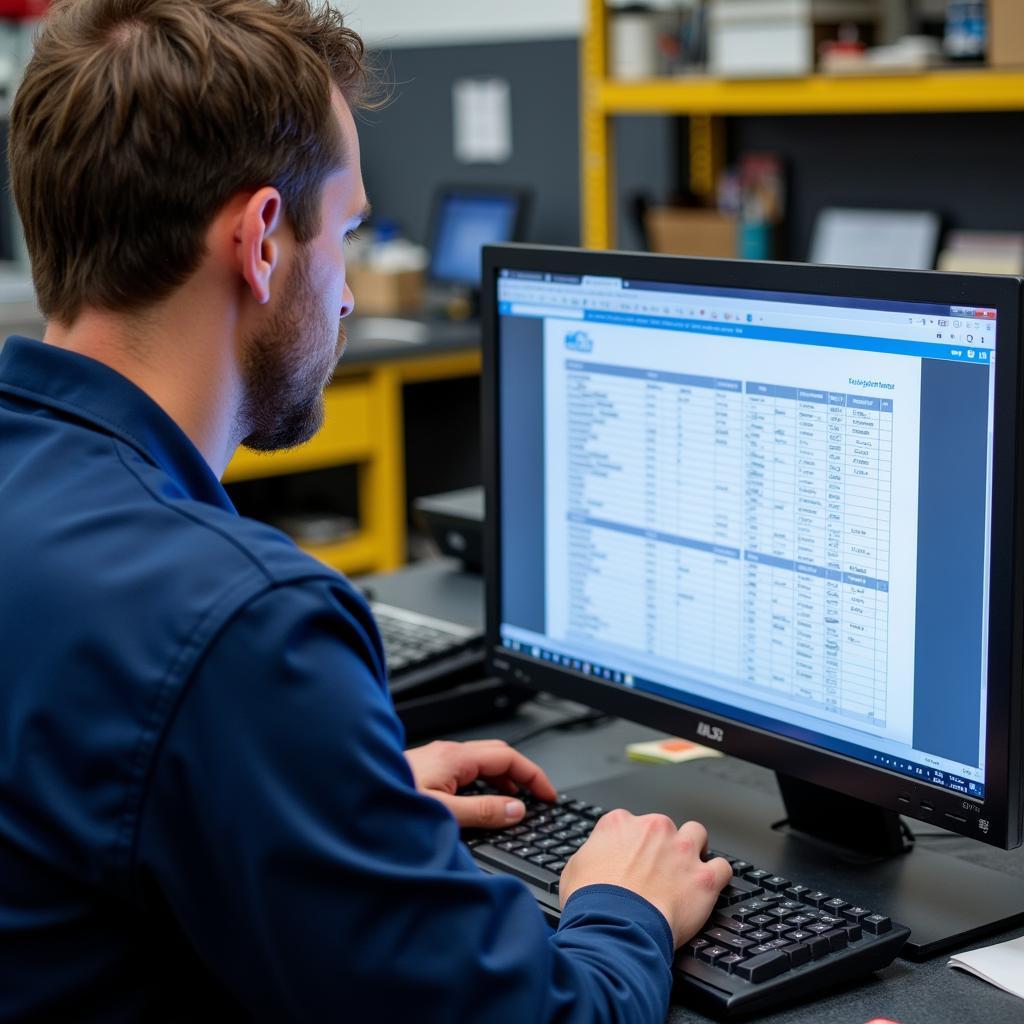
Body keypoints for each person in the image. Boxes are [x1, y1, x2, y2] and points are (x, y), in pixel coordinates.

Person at [0, 1, 732, 1020]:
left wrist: (323, 800)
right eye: (344, 232)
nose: (345, 294)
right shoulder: (241, 624)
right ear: (261, 240)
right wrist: (623, 908)